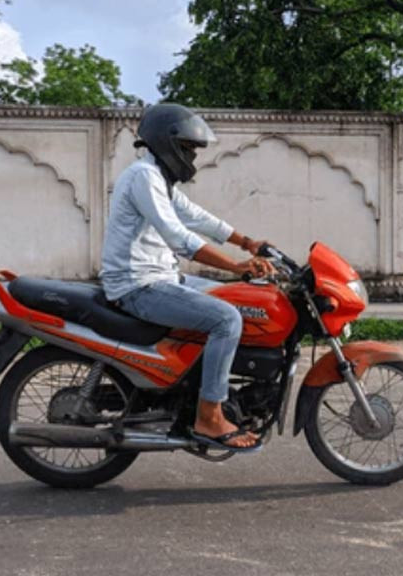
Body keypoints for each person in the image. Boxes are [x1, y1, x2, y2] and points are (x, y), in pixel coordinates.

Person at [100, 104, 274, 451]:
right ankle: (209, 416)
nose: (192, 156)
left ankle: (194, 389)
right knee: (226, 319)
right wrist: (237, 266)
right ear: (169, 143)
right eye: (189, 148)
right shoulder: (143, 177)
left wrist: (246, 243)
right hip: (139, 285)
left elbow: (195, 215)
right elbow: (179, 237)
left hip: (161, 277)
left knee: (235, 298)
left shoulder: (158, 179)